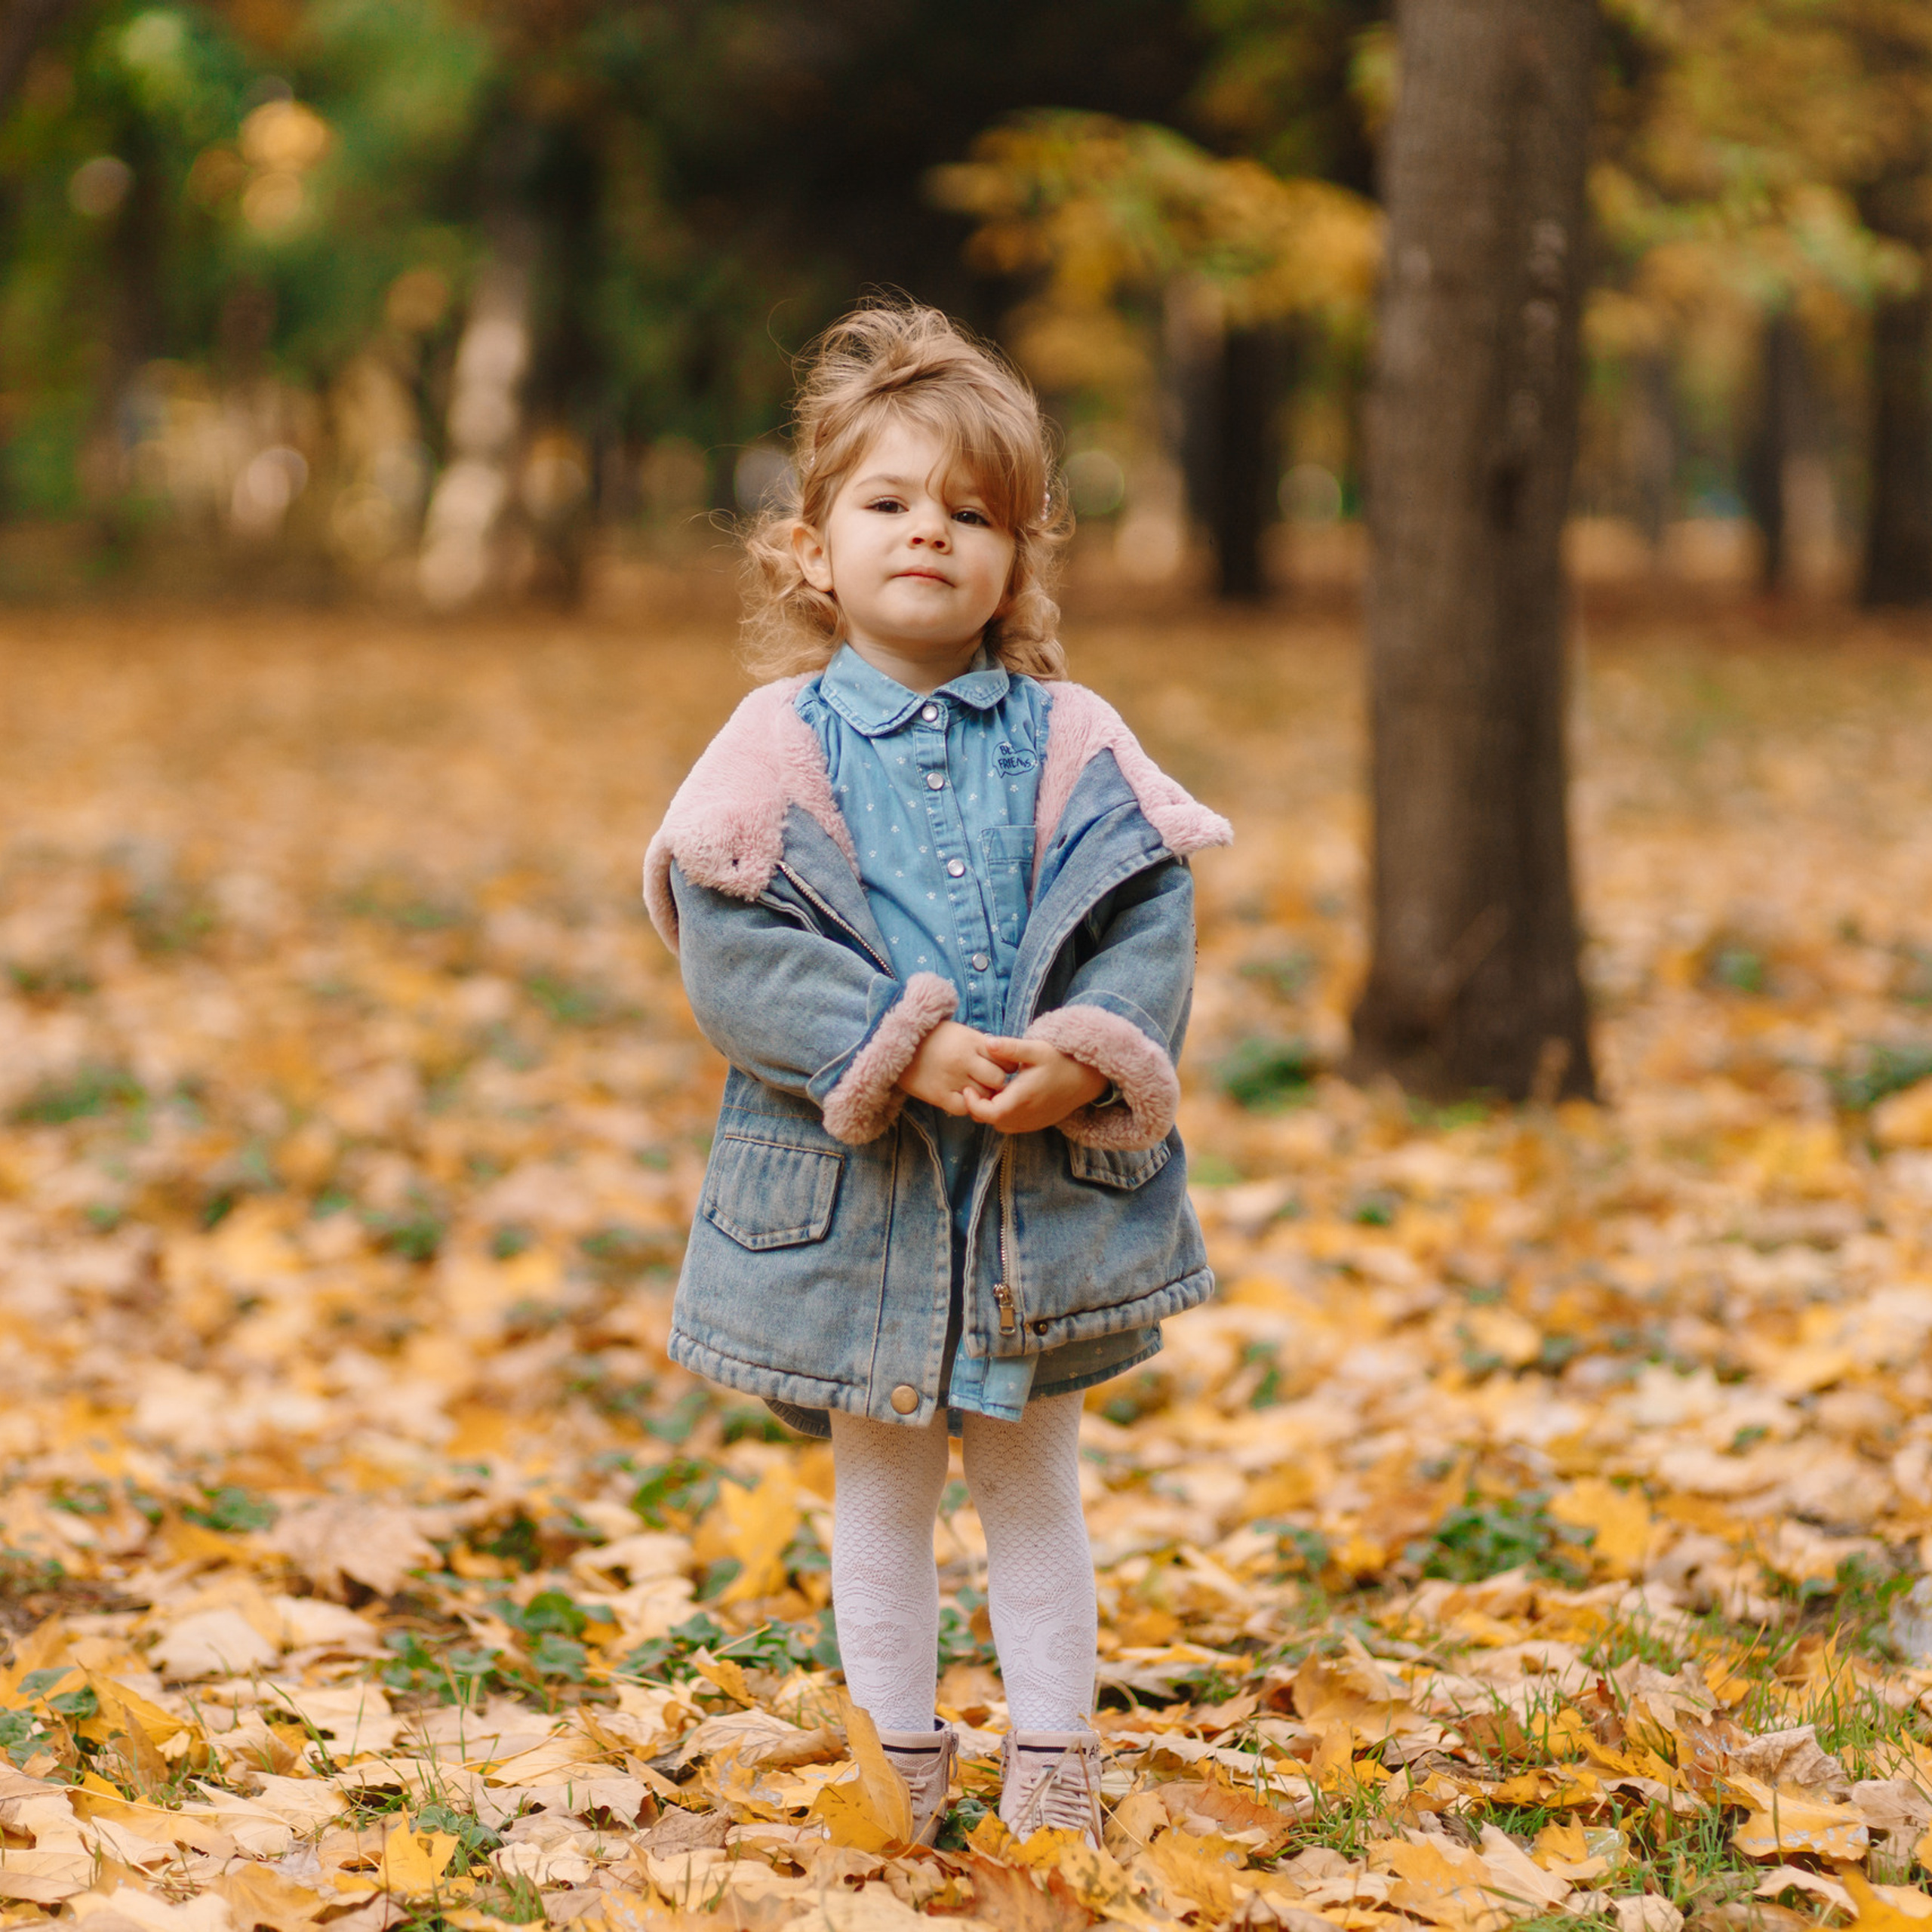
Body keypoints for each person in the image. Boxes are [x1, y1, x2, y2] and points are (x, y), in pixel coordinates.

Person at [642, 302, 1230, 1846]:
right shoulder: (771, 744)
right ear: (809, 548)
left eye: (971, 513)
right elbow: (732, 944)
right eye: (888, 503)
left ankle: (1054, 1765)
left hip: (1034, 1193)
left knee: (1034, 1483)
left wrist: (1082, 1054)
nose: (929, 534)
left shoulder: (1070, 736)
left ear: (1017, 556)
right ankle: (889, 1762)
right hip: (860, 1197)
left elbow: (1145, 913)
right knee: (884, 1488)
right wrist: (892, 1048)